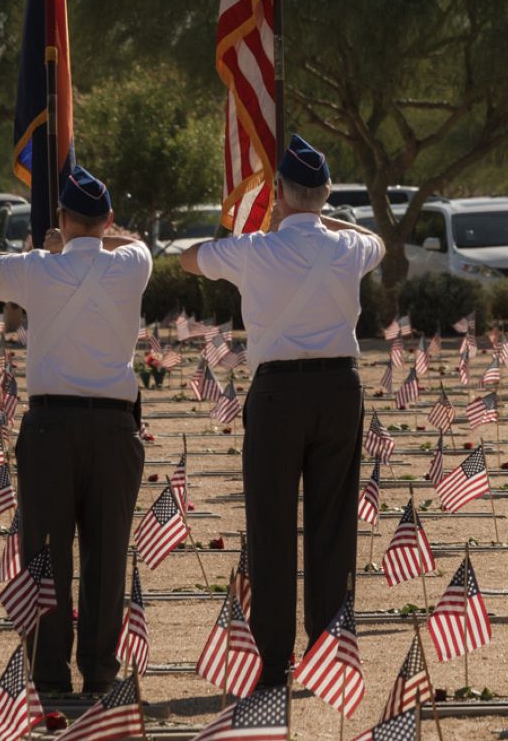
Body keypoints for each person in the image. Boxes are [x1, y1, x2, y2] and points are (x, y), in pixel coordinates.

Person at [180, 134, 384, 687]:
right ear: (324, 194)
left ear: (278, 194)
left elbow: (188, 260)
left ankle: (272, 662)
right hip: (340, 387)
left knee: (271, 528)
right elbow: (375, 241)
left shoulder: (254, 249)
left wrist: (264, 228)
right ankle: (328, 654)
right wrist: (322, 220)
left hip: (277, 394)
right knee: (332, 526)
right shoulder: (350, 247)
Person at [0, 165, 150, 695]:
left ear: (61, 218)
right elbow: (137, 243)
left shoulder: (37, 268)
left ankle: (50, 671)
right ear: (108, 221)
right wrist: (93, 238)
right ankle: (99, 671)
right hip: (112, 427)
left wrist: (54, 251)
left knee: (46, 553)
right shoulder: (132, 262)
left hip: (52, 427)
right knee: (106, 555)